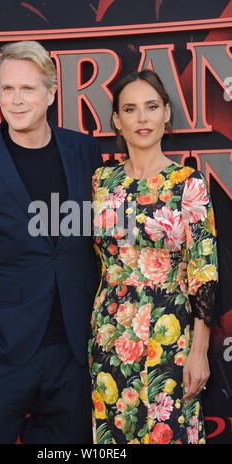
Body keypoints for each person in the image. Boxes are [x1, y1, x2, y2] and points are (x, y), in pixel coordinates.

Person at [0, 40, 102, 444]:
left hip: (72, 352)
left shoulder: (84, 152)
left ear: (51, 93)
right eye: (7, 89)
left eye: (27, 89)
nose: (15, 100)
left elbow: (95, 246)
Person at [89, 70, 218, 444]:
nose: (142, 118)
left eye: (151, 107)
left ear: (166, 114)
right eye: (130, 109)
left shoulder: (188, 183)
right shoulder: (102, 182)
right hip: (110, 336)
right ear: (117, 120)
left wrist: (200, 351)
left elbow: (204, 271)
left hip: (171, 336)